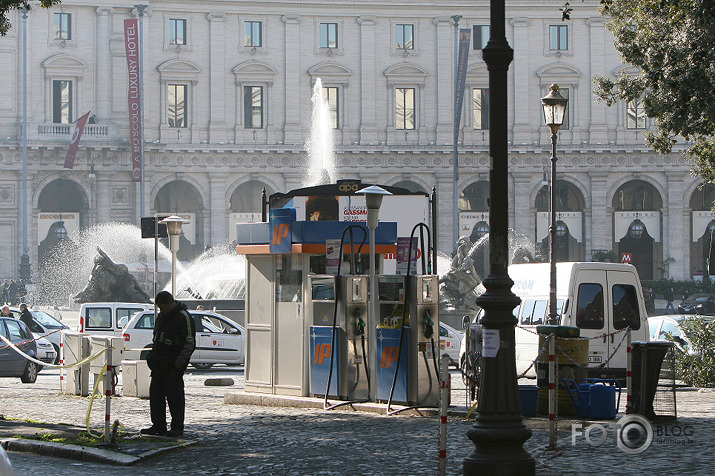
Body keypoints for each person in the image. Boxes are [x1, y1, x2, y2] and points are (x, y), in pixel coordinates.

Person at [142, 291, 196, 437]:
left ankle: (177, 427)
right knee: (156, 395)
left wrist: (178, 364)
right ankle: (158, 425)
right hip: (159, 364)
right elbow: (157, 338)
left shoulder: (184, 317)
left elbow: (189, 344)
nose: (161, 311)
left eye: (163, 308)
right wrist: (152, 357)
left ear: (170, 303)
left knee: (175, 397)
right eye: (159, 308)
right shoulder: (162, 317)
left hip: (173, 365)